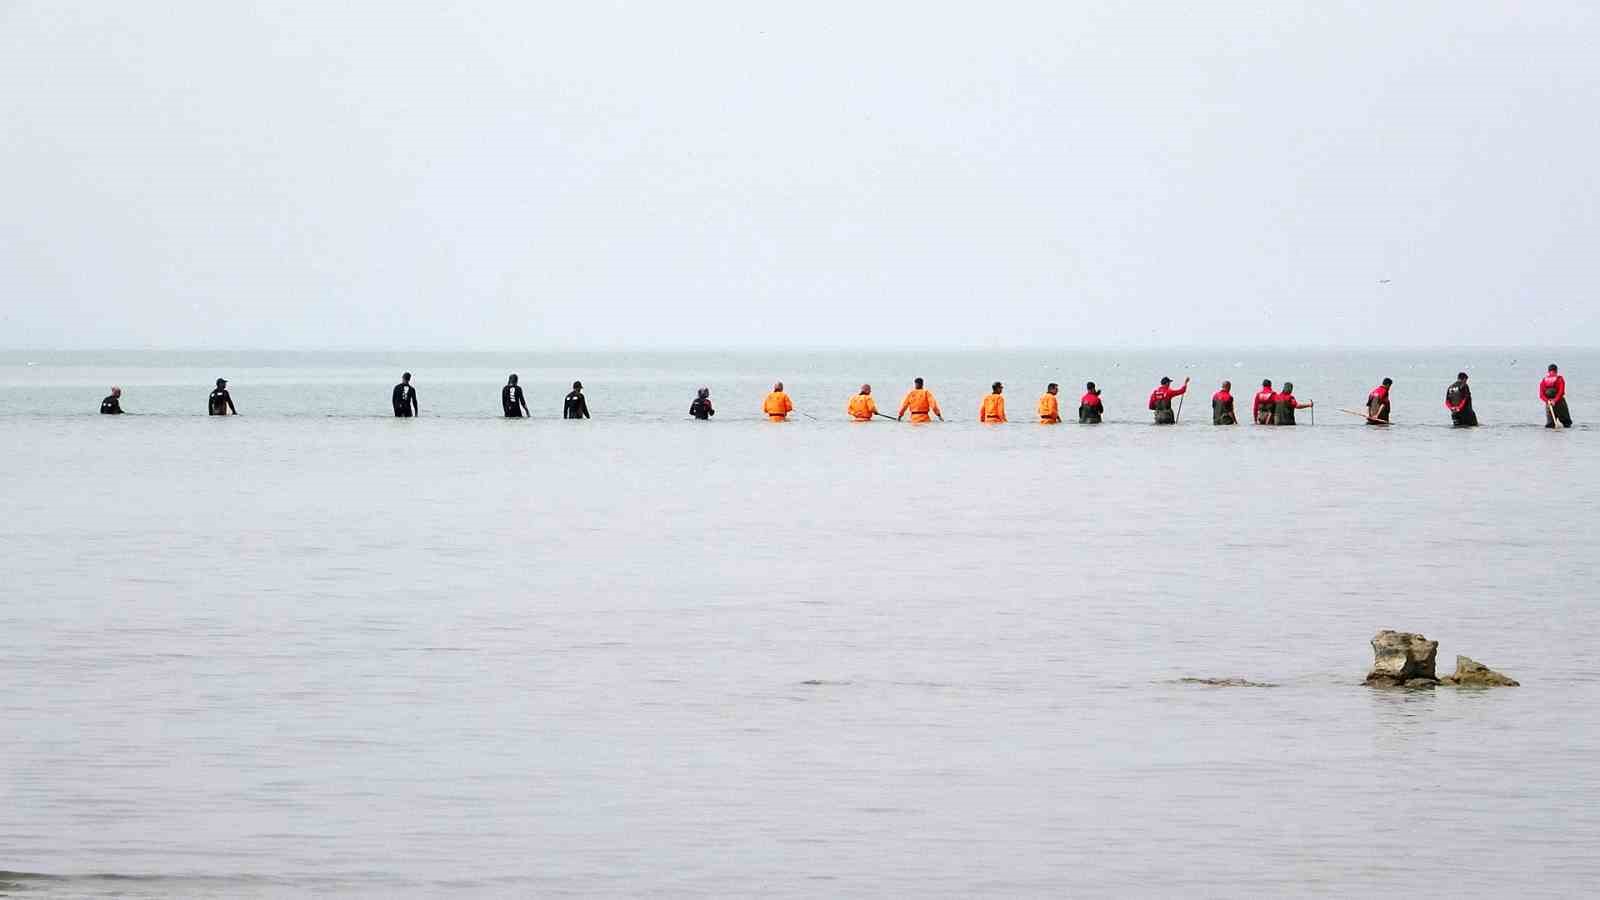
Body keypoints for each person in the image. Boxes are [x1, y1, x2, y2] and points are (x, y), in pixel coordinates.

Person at [1541, 364, 1572, 428]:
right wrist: (1555, 400)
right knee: (1567, 423)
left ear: (1548, 371)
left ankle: (1551, 437)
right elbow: (1561, 392)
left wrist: (1547, 401)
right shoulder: (1560, 379)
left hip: (1549, 404)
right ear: (1556, 371)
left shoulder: (1543, 381)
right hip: (1560, 403)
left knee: (1550, 425)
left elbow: (1541, 395)